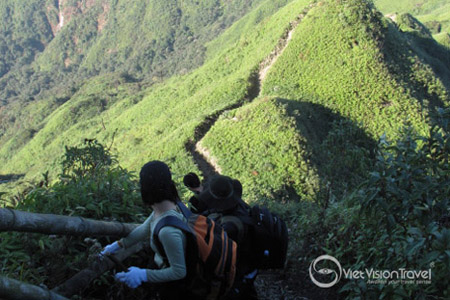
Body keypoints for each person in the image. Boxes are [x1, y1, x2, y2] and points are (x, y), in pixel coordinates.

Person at [100, 160, 192, 299]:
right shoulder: (168, 206)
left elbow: (179, 271)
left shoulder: (167, 231)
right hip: (160, 263)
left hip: (172, 285)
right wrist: (118, 245)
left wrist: (143, 275)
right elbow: (145, 228)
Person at [197, 175, 258, 300]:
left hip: (241, 270)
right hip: (248, 262)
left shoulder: (231, 226)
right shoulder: (237, 205)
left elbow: (217, 250)